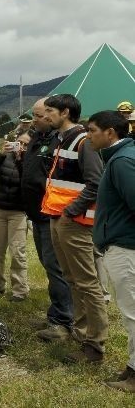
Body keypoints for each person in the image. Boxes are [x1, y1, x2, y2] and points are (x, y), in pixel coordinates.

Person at [41, 94, 107, 363]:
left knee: (87, 283)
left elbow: (95, 183)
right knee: (72, 279)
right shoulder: (60, 139)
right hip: (59, 218)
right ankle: (81, 333)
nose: (45, 116)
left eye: (50, 111)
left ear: (65, 112)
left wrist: (70, 211)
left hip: (74, 222)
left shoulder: (84, 142)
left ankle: (95, 344)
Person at [88, 111, 135, 392]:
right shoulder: (119, 157)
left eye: (92, 130)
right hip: (122, 245)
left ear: (110, 133)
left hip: (127, 248)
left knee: (133, 312)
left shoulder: (122, 161)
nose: (89, 135)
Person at [21, 98, 74, 341]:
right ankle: (56, 313)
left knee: (56, 267)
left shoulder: (60, 141)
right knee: (48, 265)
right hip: (36, 213)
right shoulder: (37, 138)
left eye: (40, 115)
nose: (36, 119)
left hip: (51, 214)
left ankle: (63, 321)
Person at [0, 133, 29, 301]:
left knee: (17, 252)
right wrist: (1, 154)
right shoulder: (5, 156)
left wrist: (21, 160)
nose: (21, 146)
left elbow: (29, 181)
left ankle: (20, 290)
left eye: (25, 144)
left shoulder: (31, 160)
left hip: (19, 211)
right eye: (19, 142)